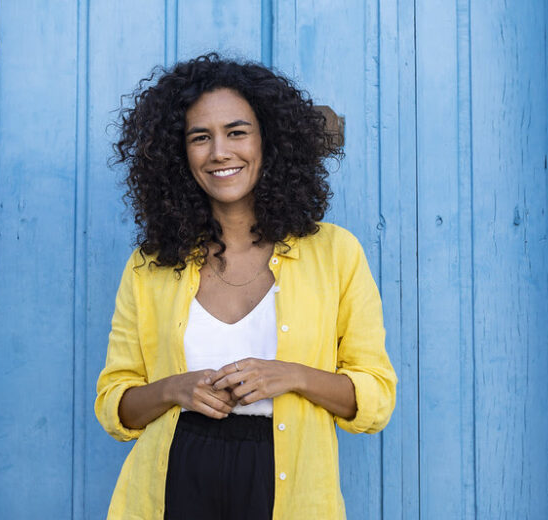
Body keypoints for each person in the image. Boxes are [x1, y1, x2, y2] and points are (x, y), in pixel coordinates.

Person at [95, 53, 397, 520]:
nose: (220, 151)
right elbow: (116, 405)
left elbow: (375, 399)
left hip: (288, 492)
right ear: (180, 154)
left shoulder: (336, 254)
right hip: (172, 487)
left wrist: (292, 375)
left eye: (237, 132)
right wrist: (175, 388)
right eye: (201, 137)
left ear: (269, 142)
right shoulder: (150, 266)